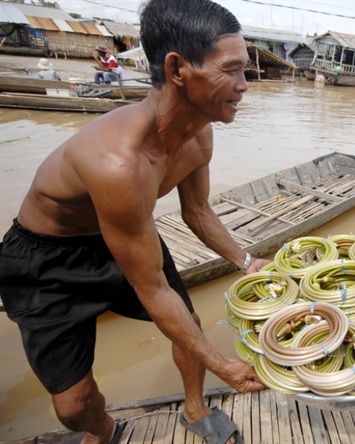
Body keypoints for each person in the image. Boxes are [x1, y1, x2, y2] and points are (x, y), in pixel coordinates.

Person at [0, 0, 269, 443]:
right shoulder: (118, 164)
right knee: (72, 407)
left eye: (246, 72)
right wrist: (222, 363)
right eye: (232, 70)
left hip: (123, 234)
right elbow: (155, 289)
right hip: (47, 258)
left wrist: (244, 260)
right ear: (178, 68)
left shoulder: (200, 132)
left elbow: (197, 212)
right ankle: (103, 431)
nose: (244, 86)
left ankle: (195, 408)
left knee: (189, 328)